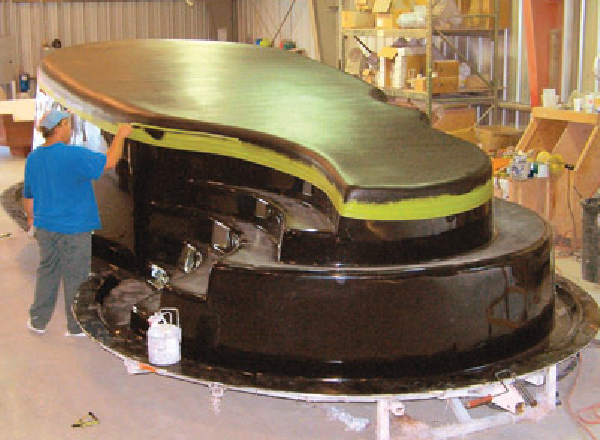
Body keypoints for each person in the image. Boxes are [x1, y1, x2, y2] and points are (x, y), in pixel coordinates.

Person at [22, 109, 132, 336]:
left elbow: (28, 195)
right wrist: (121, 135)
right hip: (73, 229)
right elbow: (110, 162)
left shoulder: (34, 158)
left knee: (47, 272)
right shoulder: (73, 155)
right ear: (60, 127)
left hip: (45, 227)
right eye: (68, 125)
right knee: (76, 275)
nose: (70, 129)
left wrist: (32, 220)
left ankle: (38, 321)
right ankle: (75, 327)